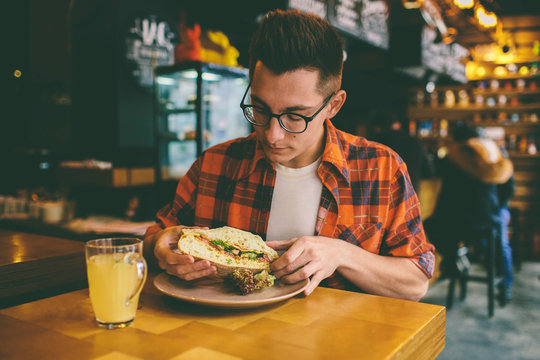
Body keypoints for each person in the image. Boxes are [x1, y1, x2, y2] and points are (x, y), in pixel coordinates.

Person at [144, 9, 435, 301]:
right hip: (220, 339)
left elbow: (415, 283)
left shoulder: (380, 169)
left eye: (295, 116)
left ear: (334, 105)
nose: (272, 135)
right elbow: (157, 237)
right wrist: (159, 247)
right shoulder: (215, 164)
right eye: (259, 108)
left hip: (338, 342)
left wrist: (343, 254)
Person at [423, 123, 515, 299]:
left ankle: (453, 261)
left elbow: (435, 169)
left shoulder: (454, 155)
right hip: (488, 219)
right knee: (501, 241)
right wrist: (497, 207)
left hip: (459, 222)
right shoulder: (497, 154)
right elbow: (509, 188)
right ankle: (506, 285)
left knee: (431, 224)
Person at [368, 108, 434, 193]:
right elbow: (429, 172)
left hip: (381, 198)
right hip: (409, 198)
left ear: (376, 128)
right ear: (397, 124)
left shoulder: (373, 144)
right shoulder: (414, 142)